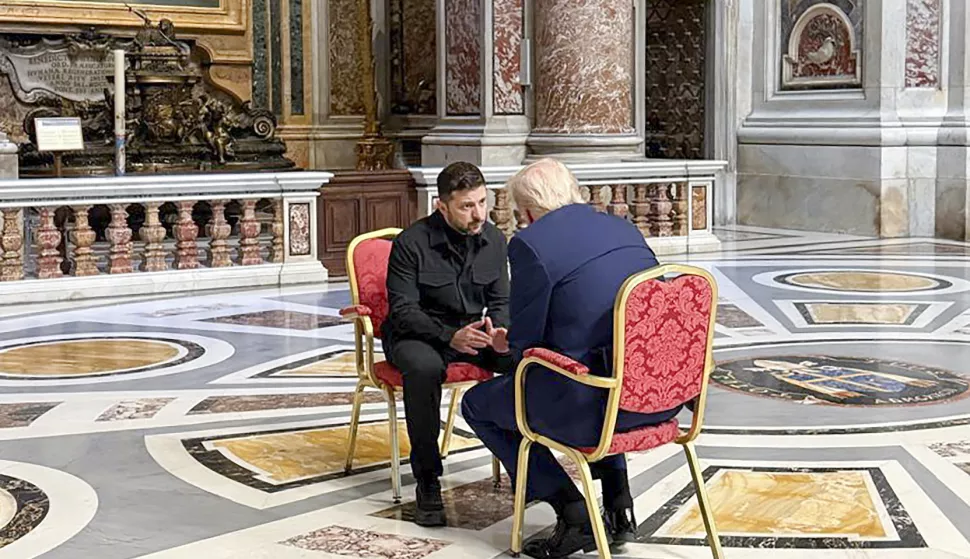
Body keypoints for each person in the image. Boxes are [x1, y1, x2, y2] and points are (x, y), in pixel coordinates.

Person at [461, 158, 684, 559]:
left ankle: (571, 509)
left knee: (478, 404)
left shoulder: (531, 244)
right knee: (606, 359)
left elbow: (526, 345)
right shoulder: (623, 227)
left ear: (527, 211)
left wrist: (503, 345)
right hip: (656, 399)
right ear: (574, 191)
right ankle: (619, 504)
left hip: (589, 412)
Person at [382, 161, 514, 527]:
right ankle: (427, 480)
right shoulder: (411, 242)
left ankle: (526, 464)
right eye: (467, 206)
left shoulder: (494, 240)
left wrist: (500, 333)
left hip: (471, 332)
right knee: (424, 370)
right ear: (441, 206)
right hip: (417, 334)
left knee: (525, 361)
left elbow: (501, 301)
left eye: (482, 202)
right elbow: (403, 310)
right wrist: (447, 336)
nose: (478, 214)